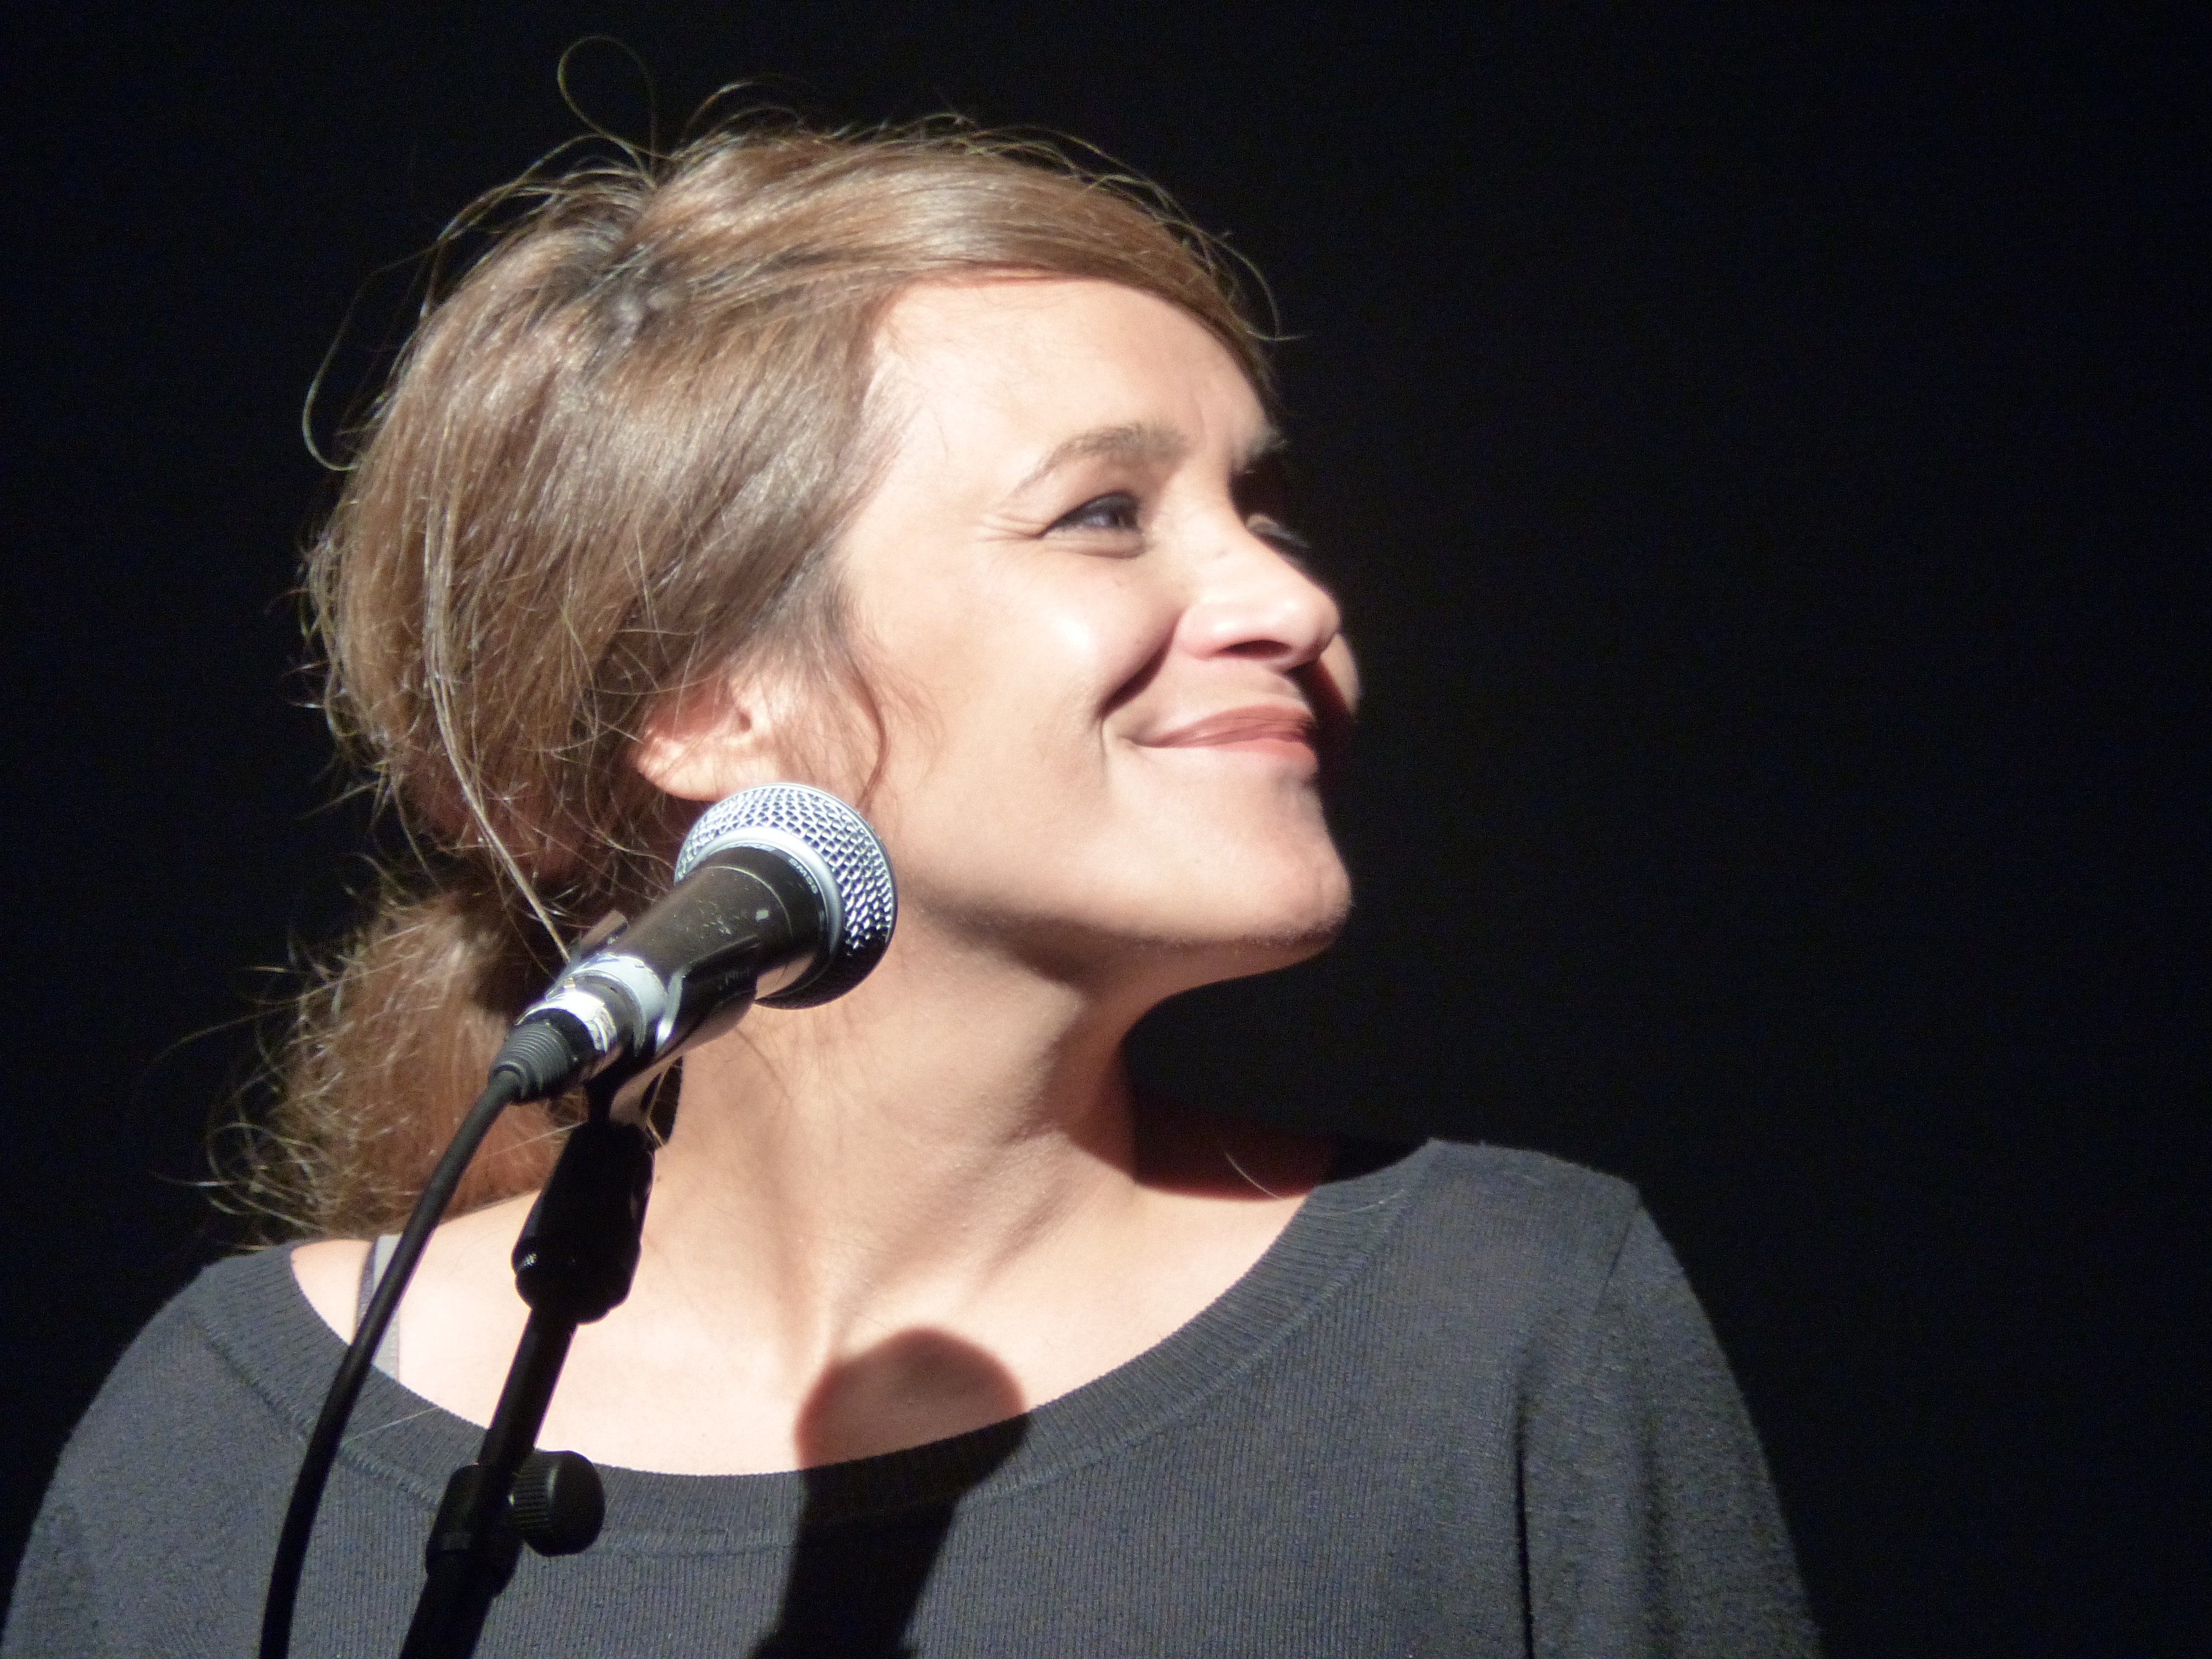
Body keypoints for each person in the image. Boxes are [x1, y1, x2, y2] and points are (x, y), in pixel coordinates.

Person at [5, 123, 1819, 1657]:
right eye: (1105, 513)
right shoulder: (230, 1441)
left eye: (1262, 509)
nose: (1292, 600)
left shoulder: (1510, 1331)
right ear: (703, 699)